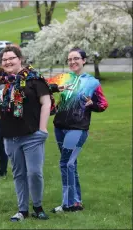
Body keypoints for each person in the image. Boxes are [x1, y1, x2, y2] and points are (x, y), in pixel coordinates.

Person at [0, 46, 53, 221]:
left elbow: (46, 102)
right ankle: (22, 210)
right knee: (19, 174)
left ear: (20, 59)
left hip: (32, 134)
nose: (8, 62)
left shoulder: (34, 79)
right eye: (4, 60)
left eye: (11, 58)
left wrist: (43, 128)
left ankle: (38, 206)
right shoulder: (3, 84)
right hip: (10, 136)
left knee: (34, 173)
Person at [46, 47, 108, 213]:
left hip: (78, 128)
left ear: (83, 60)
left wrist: (92, 105)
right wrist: (53, 97)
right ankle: (76, 201)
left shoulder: (92, 82)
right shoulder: (63, 78)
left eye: (76, 59)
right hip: (59, 127)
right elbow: (44, 86)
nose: (72, 62)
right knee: (71, 164)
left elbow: (103, 104)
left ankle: (68, 204)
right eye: (70, 59)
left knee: (66, 163)